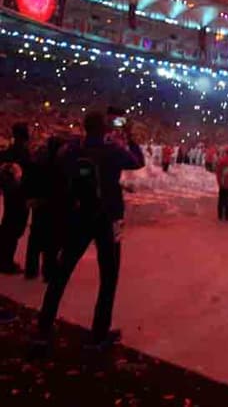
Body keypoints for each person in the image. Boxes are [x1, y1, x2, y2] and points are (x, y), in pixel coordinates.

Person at [35, 111, 145, 352]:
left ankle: (43, 327)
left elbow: (60, 163)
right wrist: (129, 137)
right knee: (109, 276)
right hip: (108, 218)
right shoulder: (113, 149)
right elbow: (137, 162)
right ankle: (98, 334)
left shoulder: (74, 148)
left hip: (80, 214)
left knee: (62, 272)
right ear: (106, 128)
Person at [25, 136, 67, 281]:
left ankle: (31, 270)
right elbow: (61, 187)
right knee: (52, 240)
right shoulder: (59, 165)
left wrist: (31, 198)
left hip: (39, 204)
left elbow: (30, 180)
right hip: (53, 205)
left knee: (35, 237)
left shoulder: (38, 161)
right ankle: (49, 272)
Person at [0, 122, 33, 274]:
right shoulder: (25, 154)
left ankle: (4, 260)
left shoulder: (8, 152)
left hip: (9, 194)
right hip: (20, 196)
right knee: (14, 230)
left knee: (7, 226)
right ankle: (6, 263)